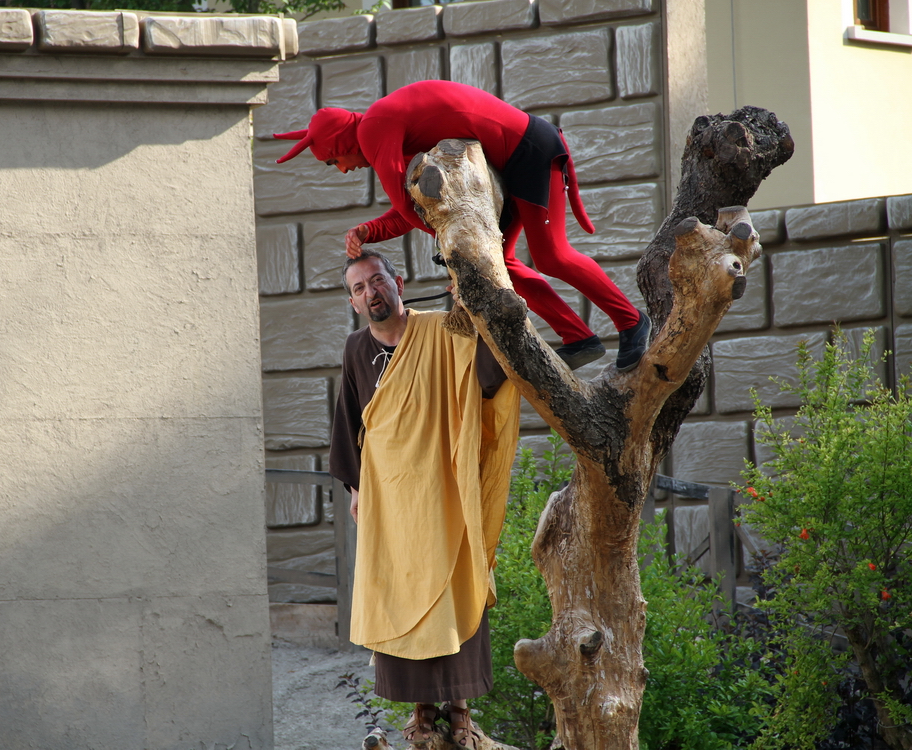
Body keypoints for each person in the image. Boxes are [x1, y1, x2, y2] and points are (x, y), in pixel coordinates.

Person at [275, 80, 652, 373]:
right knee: (498, 266)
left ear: (338, 142)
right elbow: (419, 208)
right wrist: (368, 232)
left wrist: (460, 255)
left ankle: (631, 322)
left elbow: (410, 211)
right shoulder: (383, 128)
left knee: (552, 256)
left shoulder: (374, 129)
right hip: (507, 167)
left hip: (527, 150)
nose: (343, 169)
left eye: (333, 161)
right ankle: (578, 336)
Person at [329, 249, 521, 749]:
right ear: (352, 301)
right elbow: (350, 423)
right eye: (358, 288)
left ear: (399, 282)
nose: (370, 292)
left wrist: (473, 311)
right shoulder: (355, 350)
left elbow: (488, 375)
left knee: (455, 585)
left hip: (443, 489)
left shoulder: (441, 328)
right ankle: (421, 715)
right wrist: (356, 489)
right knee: (400, 593)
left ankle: (460, 712)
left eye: (376, 281)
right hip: (391, 502)